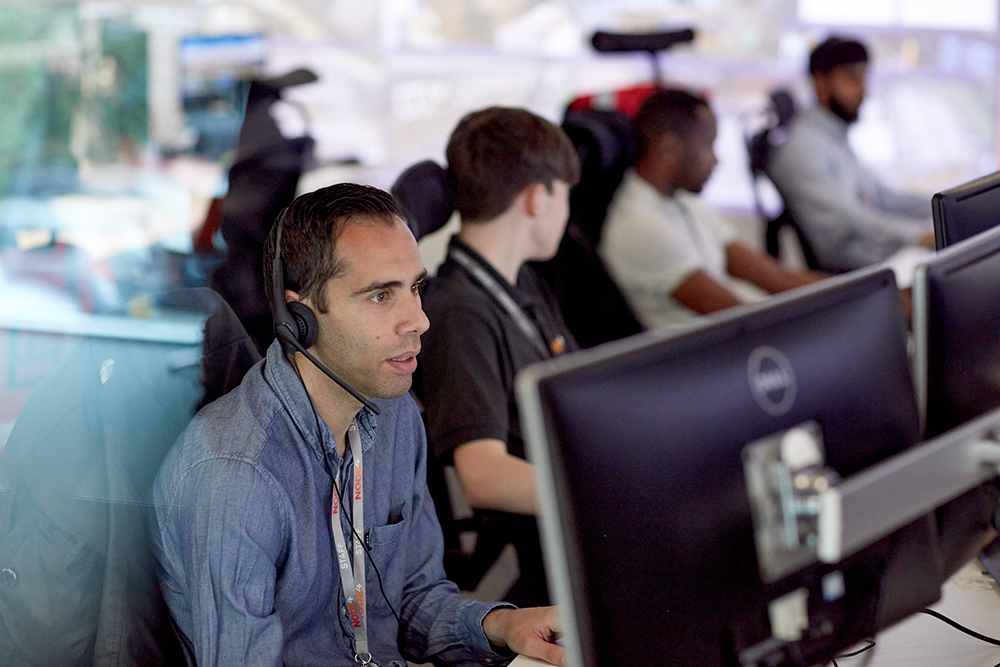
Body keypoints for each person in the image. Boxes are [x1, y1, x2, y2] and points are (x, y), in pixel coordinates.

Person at [150, 183, 563, 666]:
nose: (419, 320)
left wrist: (503, 626)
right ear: (299, 316)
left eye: (414, 288)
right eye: (380, 296)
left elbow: (410, 598)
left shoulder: (395, 415)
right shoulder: (236, 476)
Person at [416, 107, 580, 607]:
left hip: (567, 511)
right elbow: (483, 475)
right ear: (538, 197)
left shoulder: (522, 284)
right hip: (538, 543)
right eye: (566, 196)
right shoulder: (461, 312)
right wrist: (608, 492)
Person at [600, 88, 823, 330]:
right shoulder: (639, 224)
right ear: (670, 148)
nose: (716, 160)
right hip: (704, 358)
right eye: (707, 146)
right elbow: (737, 315)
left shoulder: (686, 205)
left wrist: (855, 292)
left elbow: (776, 278)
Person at [766, 36, 935, 272]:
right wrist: (920, 236)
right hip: (859, 273)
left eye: (865, 78)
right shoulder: (803, 148)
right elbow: (848, 218)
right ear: (820, 81)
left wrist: (942, 206)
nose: (864, 90)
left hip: (879, 258)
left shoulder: (832, 137)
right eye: (853, 78)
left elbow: (881, 197)